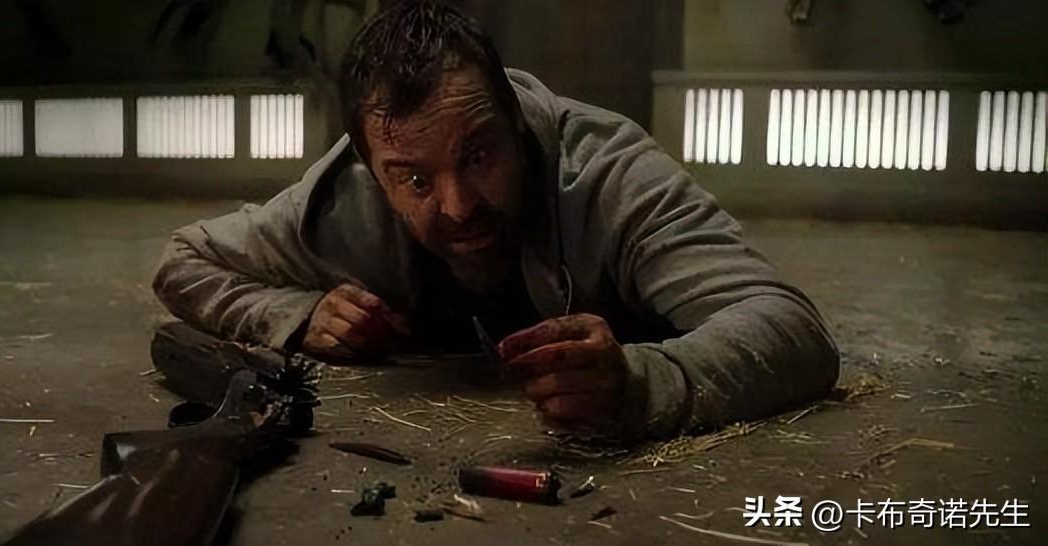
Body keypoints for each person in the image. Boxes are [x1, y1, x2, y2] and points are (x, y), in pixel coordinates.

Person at [153, 0, 839, 440]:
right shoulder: (346, 200)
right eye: (414, 179)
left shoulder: (607, 174)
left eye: (478, 156)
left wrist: (642, 383)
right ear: (373, 171)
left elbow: (791, 330)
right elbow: (184, 261)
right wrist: (291, 315)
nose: (458, 205)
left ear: (517, 125)